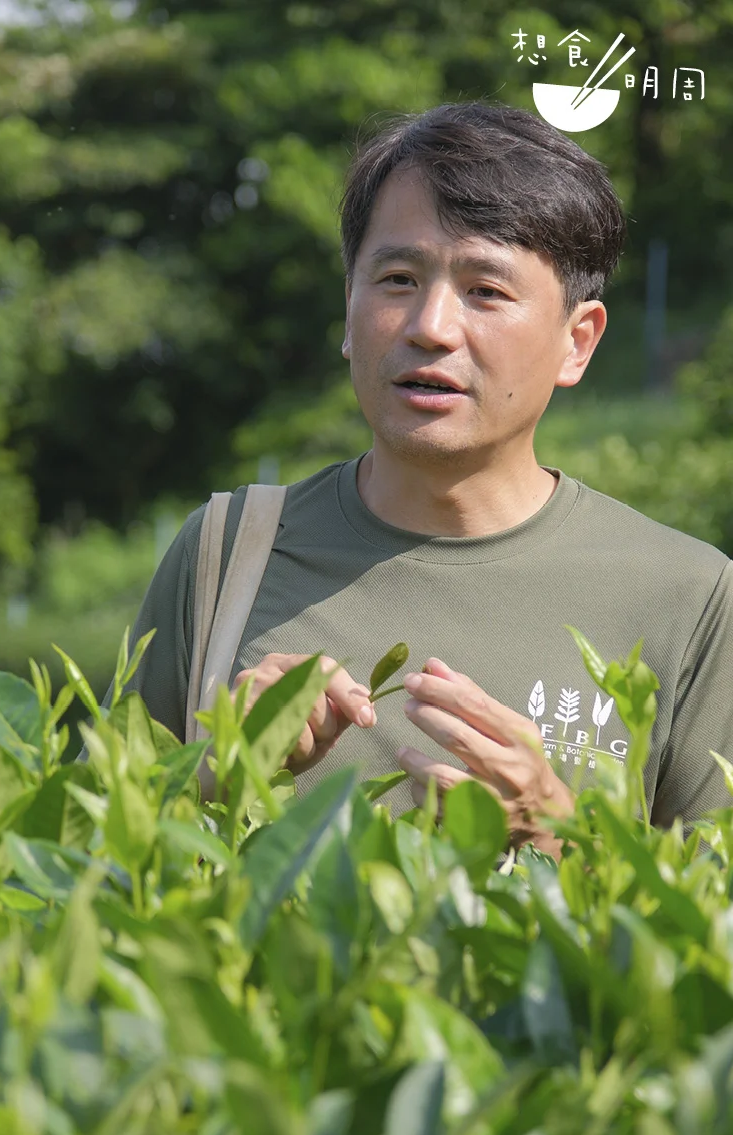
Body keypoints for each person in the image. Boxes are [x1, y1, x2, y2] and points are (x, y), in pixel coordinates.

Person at [86, 102, 733, 857]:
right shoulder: (226, 556)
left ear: (577, 341)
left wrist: (560, 832)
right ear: (348, 307)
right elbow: (76, 875)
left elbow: (711, 933)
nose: (431, 325)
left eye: (486, 291)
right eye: (397, 278)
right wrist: (213, 777)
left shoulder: (688, 596)